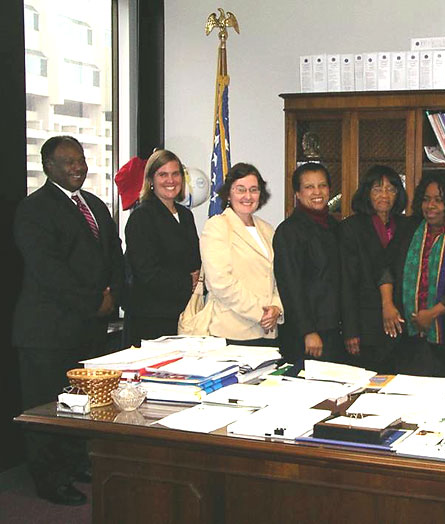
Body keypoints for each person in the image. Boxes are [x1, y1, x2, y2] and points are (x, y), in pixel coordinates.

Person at [13, 136, 125, 505]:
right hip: (47, 331)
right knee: (47, 408)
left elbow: (113, 256)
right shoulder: (34, 209)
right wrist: (96, 300)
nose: (78, 167)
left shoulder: (93, 204)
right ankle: (49, 480)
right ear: (48, 167)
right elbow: (49, 270)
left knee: (81, 404)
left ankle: (77, 463)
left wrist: (113, 295)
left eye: (80, 160)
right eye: (67, 162)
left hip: (88, 328)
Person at [380, 169, 445, 379]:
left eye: (439, 200)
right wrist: (387, 305)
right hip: (404, 339)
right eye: (426, 199)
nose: (430, 206)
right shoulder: (408, 228)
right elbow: (386, 268)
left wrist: (432, 313)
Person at [200, 163, 283, 344]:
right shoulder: (217, 227)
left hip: (267, 331)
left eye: (254, 190)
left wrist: (276, 308)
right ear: (228, 193)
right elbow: (220, 282)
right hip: (232, 332)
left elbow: (279, 277)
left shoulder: (268, 229)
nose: (248, 196)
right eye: (240, 189)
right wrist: (260, 312)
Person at [125, 149, 201, 346]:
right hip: (151, 318)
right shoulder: (141, 217)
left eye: (175, 174)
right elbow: (146, 272)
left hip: (184, 314)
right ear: (151, 179)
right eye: (163, 174)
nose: (171, 180)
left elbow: (194, 260)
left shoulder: (185, 216)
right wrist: (187, 281)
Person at [339, 165, 409, 373]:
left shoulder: (408, 226)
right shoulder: (351, 228)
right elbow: (347, 282)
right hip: (364, 325)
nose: (384, 195)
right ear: (367, 193)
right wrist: (351, 330)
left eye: (391, 189)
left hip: (401, 324)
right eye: (377, 189)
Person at [273, 162, 343, 367]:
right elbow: (290, 285)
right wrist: (308, 331)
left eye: (322, 185)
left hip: (334, 331)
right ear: (297, 193)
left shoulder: (335, 227)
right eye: (309, 187)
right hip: (306, 336)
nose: (317, 192)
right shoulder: (289, 231)